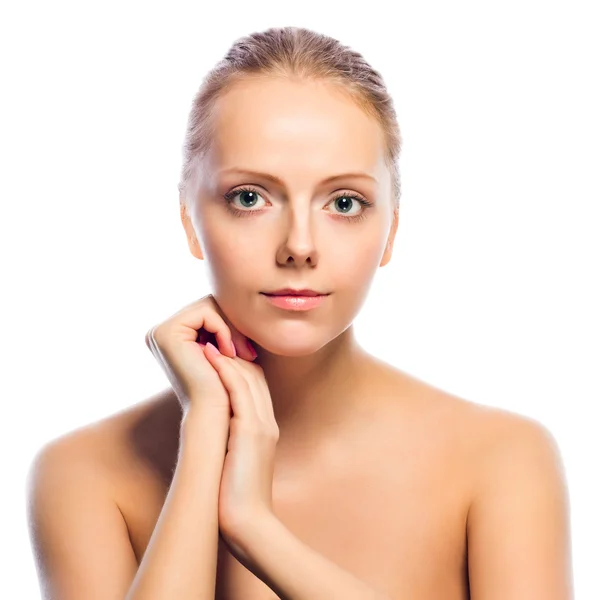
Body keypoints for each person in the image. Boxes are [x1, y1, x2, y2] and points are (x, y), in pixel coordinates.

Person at [26, 26, 573, 600]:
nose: (300, 245)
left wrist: (255, 528)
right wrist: (205, 440)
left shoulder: (502, 459)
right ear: (190, 220)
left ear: (391, 230)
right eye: (249, 197)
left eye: (344, 202)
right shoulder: (84, 473)